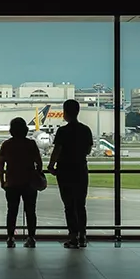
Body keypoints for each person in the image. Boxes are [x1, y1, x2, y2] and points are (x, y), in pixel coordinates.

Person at [47, 99, 94, 249]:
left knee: (69, 205)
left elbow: (57, 150)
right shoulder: (85, 130)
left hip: (65, 170)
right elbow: (87, 150)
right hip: (80, 169)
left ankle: (73, 237)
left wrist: (51, 165)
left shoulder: (62, 131)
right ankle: (83, 236)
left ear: (65, 112)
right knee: (81, 205)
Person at [0, 117, 43, 248]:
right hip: (29, 183)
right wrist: (36, 175)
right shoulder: (31, 144)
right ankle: (31, 238)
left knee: (12, 211)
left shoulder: (6, 144)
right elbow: (39, 163)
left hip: (12, 183)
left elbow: (1, 165)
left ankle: (11, 238)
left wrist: (3, 181)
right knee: (31, 212)